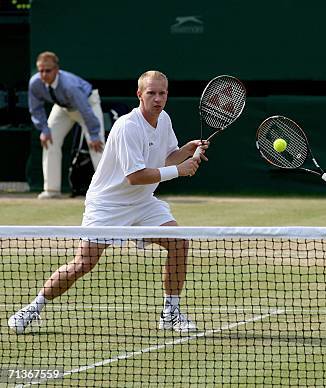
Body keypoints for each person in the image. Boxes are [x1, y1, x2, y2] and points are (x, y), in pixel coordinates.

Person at [9, 70, 208, 333]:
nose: (157, 99)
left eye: (162, 93)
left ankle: (170, 313)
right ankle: (33, 308)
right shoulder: (128, 126)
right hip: (107, 204)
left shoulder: (165, 120)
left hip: (142, 203)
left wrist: (186, 152)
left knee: (179, 243)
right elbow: (136, 176)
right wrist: (180, 170)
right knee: (83, 264)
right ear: (140, 94)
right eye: (151, 93)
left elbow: (167, 157)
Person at [28, 51, 105, 199]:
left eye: (48, 71)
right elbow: (36, 109)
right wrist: (44, 129)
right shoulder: (35, 83)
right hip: (62, 107)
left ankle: (108, 192)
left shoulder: (70, 86)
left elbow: (85, 110)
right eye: (41, 71)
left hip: (88, 104)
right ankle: (51, 190)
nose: (43, 74)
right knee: (49, 139)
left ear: (56, 70)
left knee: (96, 144)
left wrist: (94, 134)